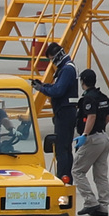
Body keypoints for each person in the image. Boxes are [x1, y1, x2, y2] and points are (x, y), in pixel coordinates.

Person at [31, 42, 79, 183]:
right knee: (65, 147)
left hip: (65, 113)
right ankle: (66, 178)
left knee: (61, 148)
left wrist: (41, 89)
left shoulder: (67, 70)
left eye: (51, 58)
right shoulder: (67, 68)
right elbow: (58, 87)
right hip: (66, 112)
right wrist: (45, 85)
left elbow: (58, 91)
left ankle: (63, 178)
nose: (51, 62)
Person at [73, 69, 109, 216]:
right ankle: (103, 205)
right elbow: (107, 117)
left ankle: (90, 202)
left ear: (83, 81)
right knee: (101, 174)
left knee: (77, 171)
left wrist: (85, 134)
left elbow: (91, 116)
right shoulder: (103, 97)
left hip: (93, 139)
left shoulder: (88, 99)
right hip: (104, 138)